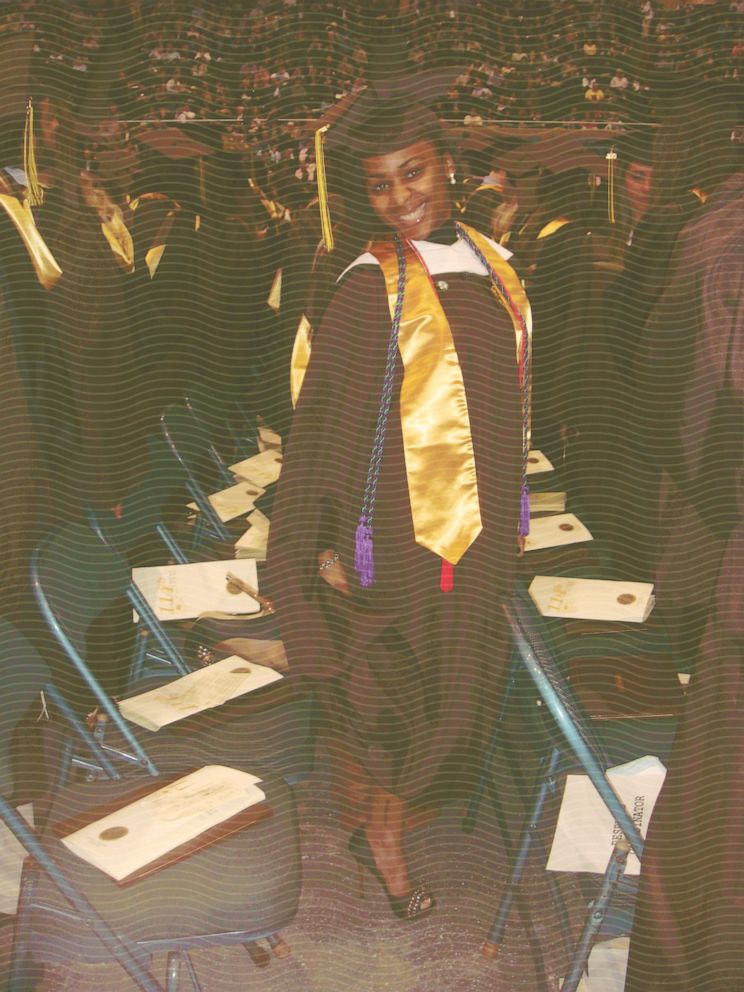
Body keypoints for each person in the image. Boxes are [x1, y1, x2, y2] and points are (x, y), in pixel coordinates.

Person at [266, 73, 530, 921]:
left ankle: (382, 822)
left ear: (447, 167)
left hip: (478, 528)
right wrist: (316, 544)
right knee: (413, 704)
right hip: (399, 533)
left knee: (464, 694)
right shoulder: (363, 284)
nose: (399, 198)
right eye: (380, 184)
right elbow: (319, 428)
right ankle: (383, 836)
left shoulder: (495, 268)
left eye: (413, 174)